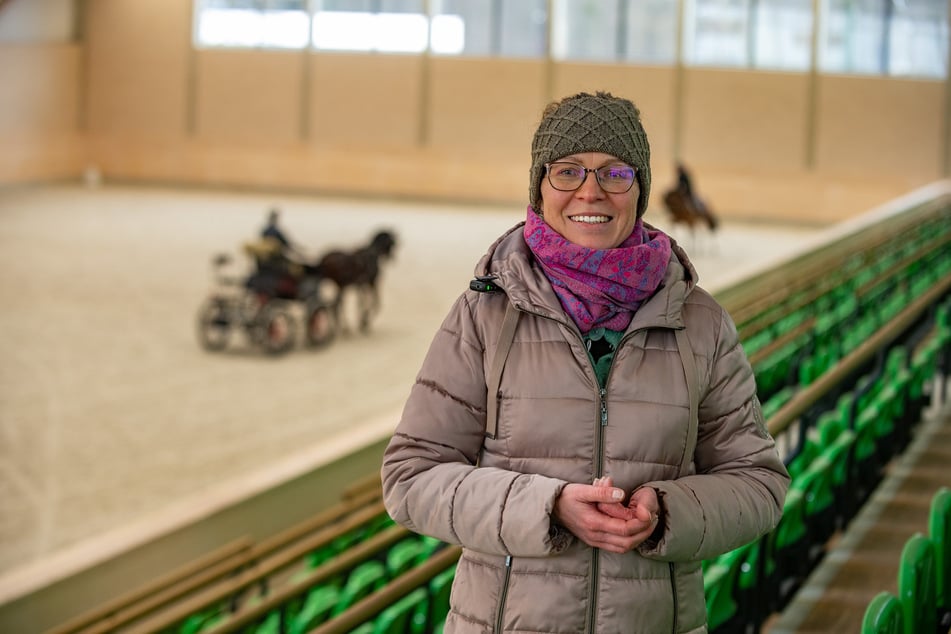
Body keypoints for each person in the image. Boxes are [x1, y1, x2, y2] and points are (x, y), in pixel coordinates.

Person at [380, 91, 789, 633]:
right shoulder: (483, 316)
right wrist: (544, 507)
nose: (590, 191)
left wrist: (669, 511)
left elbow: (759, 483)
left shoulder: (703, 324)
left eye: (615, 172)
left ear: (639, 190)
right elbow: (409, 477)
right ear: (540, 187)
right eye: (567, 171)